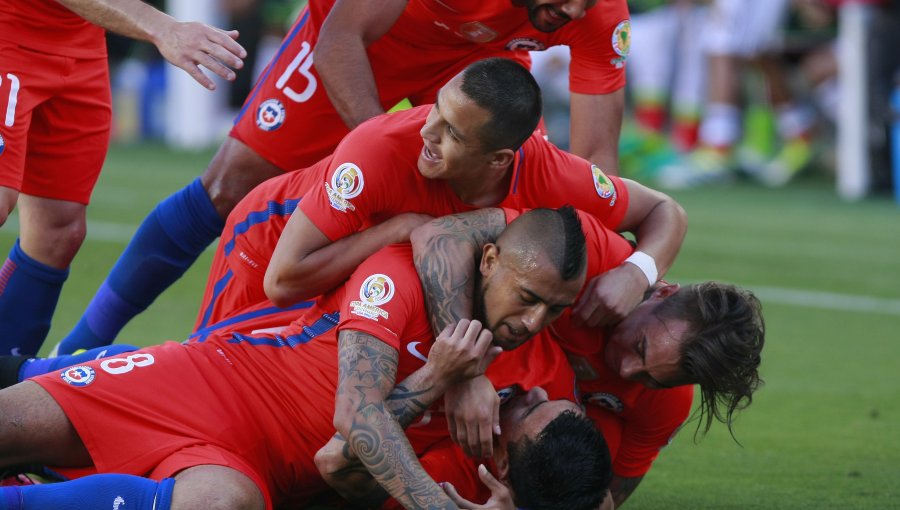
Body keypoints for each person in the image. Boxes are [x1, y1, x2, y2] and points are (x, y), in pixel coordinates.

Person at [56, 0, 635, 353]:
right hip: (355, 36)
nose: (579, 10)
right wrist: (395, 159)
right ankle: (80, 344)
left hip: (476, 74)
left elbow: (595, 168)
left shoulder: (596, 12)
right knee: (225, 190)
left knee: (514, 205)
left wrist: (631, 271)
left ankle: (472, 373)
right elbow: (340, 40)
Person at [0, 207, 611, 510]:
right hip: (212, 385)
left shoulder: (494, 413)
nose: (534, 324)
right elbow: (355, 420)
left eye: (554, 312)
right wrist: (441, 379)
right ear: (487, 262)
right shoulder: (398, 279)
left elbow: (337, 463)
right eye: (529, 299)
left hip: (254, 470)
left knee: (218, 505)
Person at [187, 58, 685, 346]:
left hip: (359, 269)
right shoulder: (378, 149)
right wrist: (397, 228)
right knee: (212, 380)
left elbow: (665, 211)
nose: (426, 130)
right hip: (273, 238)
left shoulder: (550, 170)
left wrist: (636, 272)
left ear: (499, 159)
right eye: (436, 110)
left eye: (451, 132)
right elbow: (283, 280)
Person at [408, 208, 765, 507]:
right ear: (660, 292)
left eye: (653, 379)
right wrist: (463, 373)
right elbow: (439, 235)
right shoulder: (595, 260)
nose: (626, 370)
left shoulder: (665, 405)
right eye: (640, 347)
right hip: (453, 371)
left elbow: (602, 500)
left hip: (511, 437)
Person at [0, 0, 247, 356]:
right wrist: (164, 27)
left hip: (82, 38)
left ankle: (7, 378)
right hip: (10, 29)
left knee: (59, 231)